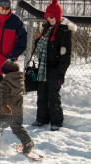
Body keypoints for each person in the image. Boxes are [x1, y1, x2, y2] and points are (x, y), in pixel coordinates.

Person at [32, 0, 77, 131]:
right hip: (43, 67)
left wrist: (61, 73)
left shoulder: (64, 30)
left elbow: (65, 54)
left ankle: (56, 121)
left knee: (53, 95)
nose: (49, 19)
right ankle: (41, 118)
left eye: (52, 17)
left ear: (57, 16)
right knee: (42, 94)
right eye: (47, 16)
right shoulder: (47, 28)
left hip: (54, 68)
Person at [0, 59, 34, 154]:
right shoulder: (21, 81)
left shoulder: (4, 83)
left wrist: (5, 105)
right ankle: (28, 143)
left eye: (3, 73)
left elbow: (4, 95)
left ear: (7, 74)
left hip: (6, 112)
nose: (2, 74)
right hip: (18, 112)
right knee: (18, 128)